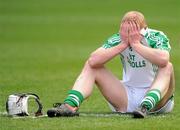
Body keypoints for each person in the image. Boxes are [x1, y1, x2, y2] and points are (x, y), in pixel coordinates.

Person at [47, 11, 175, 118]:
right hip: (126, 97)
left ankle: (146, 105)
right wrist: (123, 44)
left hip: (158, 100)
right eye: (127, 30)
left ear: (145, 28)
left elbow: (163, 59)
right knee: (93, 66)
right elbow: (93, 60)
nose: (131, 34)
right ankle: (70, 105)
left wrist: (136, 44)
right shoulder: (119, 38)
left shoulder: (156, 36)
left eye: (135, 30)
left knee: (168, 66)